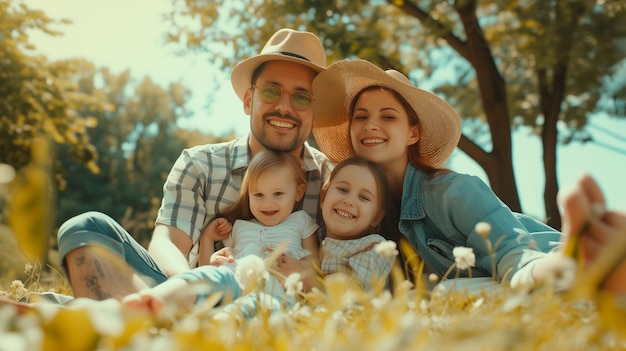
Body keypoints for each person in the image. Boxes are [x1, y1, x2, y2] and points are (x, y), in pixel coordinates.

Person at [55, 28, 333, 300]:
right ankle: (158, 314)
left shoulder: (330, 180)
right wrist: (194, 290)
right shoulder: (200, 164)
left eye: (300, 97)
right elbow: (168, 243)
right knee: (83, 228)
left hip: (279, 308)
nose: (285, 107)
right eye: (272, 91)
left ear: (314, 110)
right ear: (249, 100)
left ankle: (132, 320)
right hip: (196, 294)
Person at [312, 58, 568, 290]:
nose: (371, 125)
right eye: (361, 116)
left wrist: (546, 271)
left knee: (444, 293)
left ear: (413, 133)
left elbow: (513, 254)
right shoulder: (363, 214)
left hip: (554, 261)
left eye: (388, 116)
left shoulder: (452, 191)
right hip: (480, 293)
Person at [122, 156, 398, 316]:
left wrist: (303, 273)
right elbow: (213, 262)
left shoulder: (371, 247)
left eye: (364, 197)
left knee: (252, 306)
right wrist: (212, 247)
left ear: (377, 216)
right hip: (235, 276)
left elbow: (350, 296)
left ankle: (207, 330)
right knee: (206, 277)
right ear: (323, 197)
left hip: (277, 296)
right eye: (343, 190)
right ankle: (154, 301)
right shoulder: (243, 226)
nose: (350, 201)